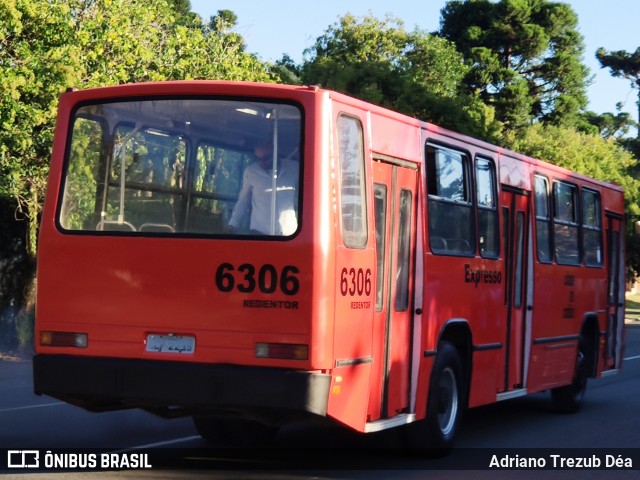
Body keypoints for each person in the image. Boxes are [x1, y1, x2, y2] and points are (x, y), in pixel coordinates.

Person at [228, 139, 299, 235]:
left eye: (266, 158)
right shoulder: (251, 172)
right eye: (258, 159)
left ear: (276, 153)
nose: (262, 162)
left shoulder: (294, 168)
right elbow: (243, 200)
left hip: (289, 233)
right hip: (259, 233)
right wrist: (233, 224)